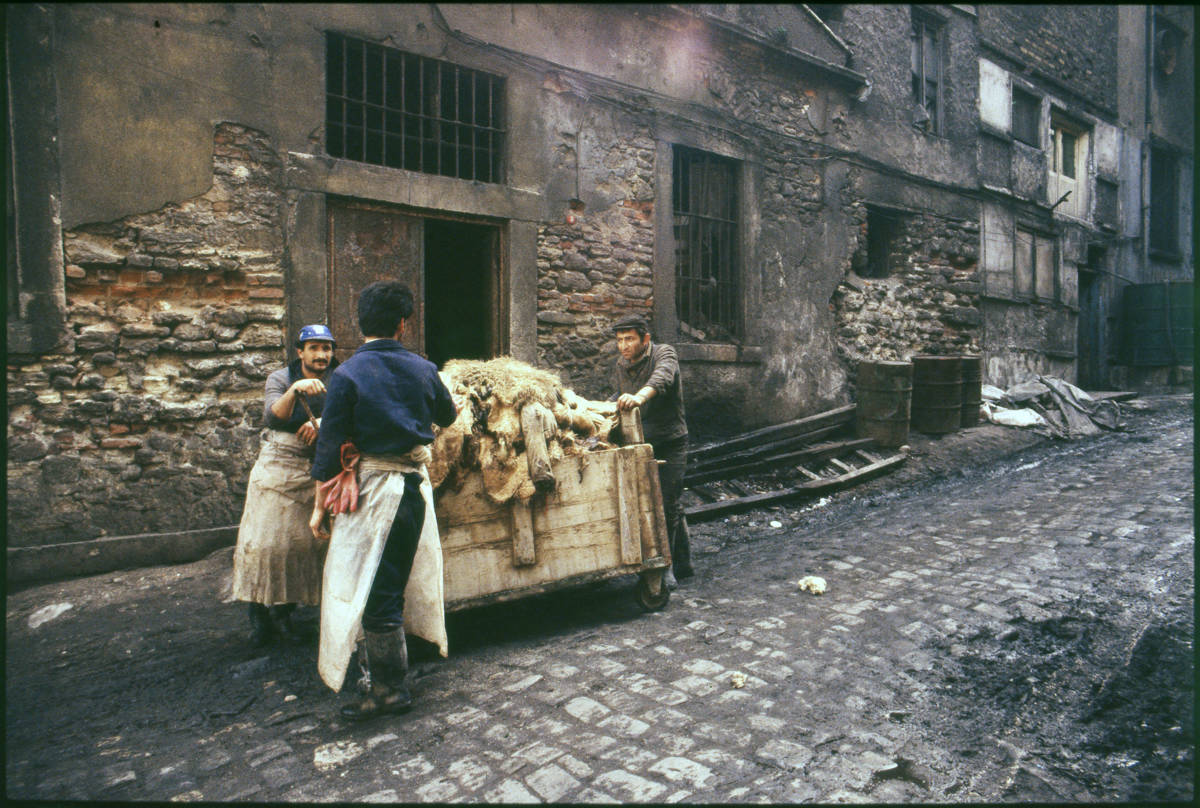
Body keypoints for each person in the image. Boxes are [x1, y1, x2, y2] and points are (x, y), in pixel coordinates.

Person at [310, 281, 458, 721]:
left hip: (372, 494)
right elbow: (448, 416)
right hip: (412, 491)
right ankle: (381, 676)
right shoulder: (423, 368)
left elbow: (329, 447)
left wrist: (319, 507)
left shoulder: (348, 374)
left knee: (375, 591)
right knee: (385, 584)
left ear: (361, 323)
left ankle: (391, 689)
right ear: (402, 324)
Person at [231, 324, 338, 645]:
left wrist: (321, 424)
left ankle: (285, 613)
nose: (321, 355)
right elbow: (273, 417)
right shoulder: (280, 378)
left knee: (303, 544)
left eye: (327, 349)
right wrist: (295, 391)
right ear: (300, 351)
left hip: (317, 467)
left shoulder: (340, 378)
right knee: (264, 543)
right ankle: (259, 615)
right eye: (314, 348)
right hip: (278, 463)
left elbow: (353, 412)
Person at [611, 314, 694, 590]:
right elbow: (618, 395)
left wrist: (639, 397)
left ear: (644, 339)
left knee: (666, 501)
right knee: (657, 502)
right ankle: (684, 561)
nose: (624, 345)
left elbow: (662, 379)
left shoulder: (664, 353)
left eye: (630, 339)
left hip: (672, 441)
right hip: (642, 444)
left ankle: (666, 566)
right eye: (620, 340)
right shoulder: (621, 365)